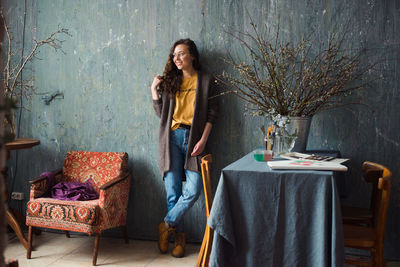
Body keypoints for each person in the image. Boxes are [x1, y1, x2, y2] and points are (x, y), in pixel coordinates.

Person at [151, 38, 218, 258]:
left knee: (193, 190)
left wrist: (203, 140)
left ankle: (165, 225)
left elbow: (212, 114)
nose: (177, 58)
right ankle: (179, 238)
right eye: (174, 55)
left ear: (192, 56)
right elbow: (163, 116)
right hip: (171, 139)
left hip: (194, 139)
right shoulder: (171, 81)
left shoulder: (207, 81)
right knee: (173, 193)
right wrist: (154, 90)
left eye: (181, 54)